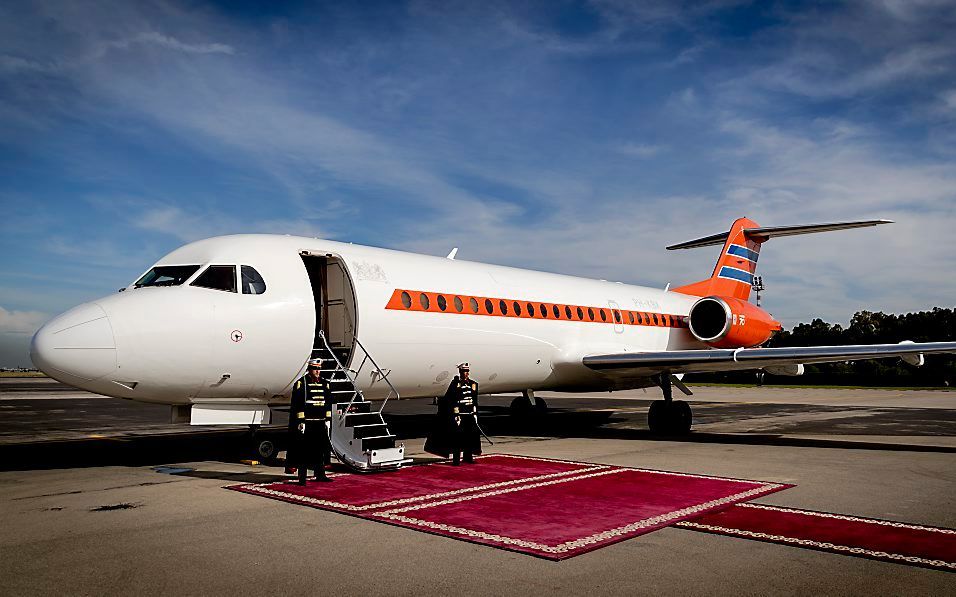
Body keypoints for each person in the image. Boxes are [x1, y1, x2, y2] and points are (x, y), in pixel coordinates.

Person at [425, 362, 481, 465]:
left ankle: (468, 457)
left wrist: (475, 413)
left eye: (467, 371)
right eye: (464, 371)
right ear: (460, 372)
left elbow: (474, 400)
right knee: (457, 439)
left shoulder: (473, 384)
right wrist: (456, 415)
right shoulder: (455, 385)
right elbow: (452, 400)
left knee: (470, 436)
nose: (466, 373)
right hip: (460, 415)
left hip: (470, 414)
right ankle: (456, 459)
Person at [286, 358, 333, 484]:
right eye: (315, 369)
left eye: (319, 369)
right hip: (308, 422)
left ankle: (320, 475)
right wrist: (301, 421)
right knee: (304, 451)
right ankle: (302, 478)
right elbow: (298, 403)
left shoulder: (325, 383)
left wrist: (328, 419)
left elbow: (327, 403)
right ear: (309, 369)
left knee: (320, 450)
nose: (317, 371)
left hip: (320, 421)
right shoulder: (302, 383)